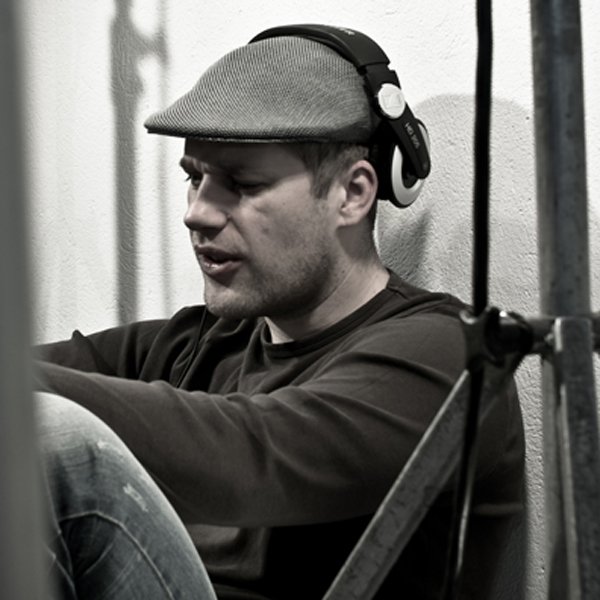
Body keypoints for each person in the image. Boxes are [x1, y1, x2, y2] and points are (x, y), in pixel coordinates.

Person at [34, 24, 525, 600]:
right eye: (195, 178)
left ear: (353, 193)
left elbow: (250, 457)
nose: (197, 213)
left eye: (241, 185)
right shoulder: (197, 343)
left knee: (58, 441)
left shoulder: (447, 356)